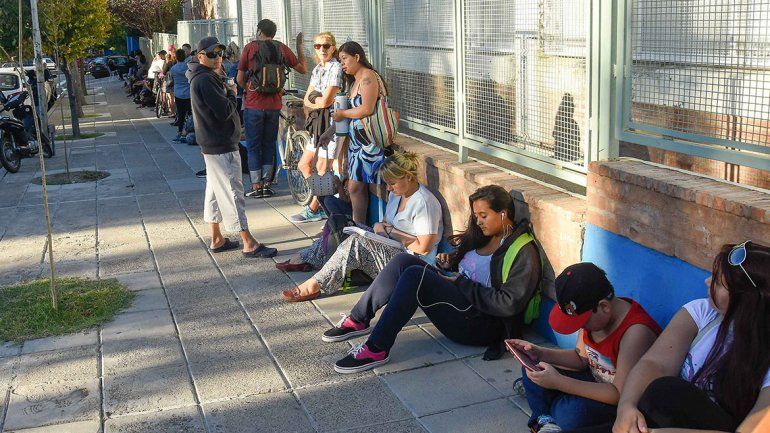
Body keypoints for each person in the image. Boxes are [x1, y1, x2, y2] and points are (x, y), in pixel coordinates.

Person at [325, 185, 542, 373]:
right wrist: (450, 263)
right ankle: (358, 319)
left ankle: (376, 348)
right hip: (462, 303)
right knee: (403, 261)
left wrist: (459, 282)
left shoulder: (523, 252)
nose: (478, 222)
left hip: (481, 324)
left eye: (483, 216)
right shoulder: (484, 235)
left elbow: (508, 303)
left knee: (415, 276)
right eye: (476, 216)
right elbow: (474, 268)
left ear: (503, 214)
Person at [607, 241, 770, 433]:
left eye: (718, 282)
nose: (707, 281)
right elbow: (655, 363)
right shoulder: (703, 311)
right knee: (662, 391)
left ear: (747, 300)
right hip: (657, 421)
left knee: (667, 390)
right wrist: (626, 407)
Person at [509, 263, 661, 433]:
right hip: (594, 381)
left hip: (619, 400)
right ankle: (544, 419)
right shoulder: (593, 316)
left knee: (570, 413)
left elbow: (619, 394)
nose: (581, 328)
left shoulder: (635, 333)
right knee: (533, 367)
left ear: (604, 307)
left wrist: (559, 383)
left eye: (582, 322)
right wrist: (540, 353)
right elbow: (580, 358)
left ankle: (549, 400)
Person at [280, 151, 442, 302]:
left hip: (410, 263)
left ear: (408, 177)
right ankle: (307, 259)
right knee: (340, 223)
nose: (389, 188)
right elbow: (386, 222)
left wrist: (391, 231)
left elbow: (423, 248)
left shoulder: (424, 203)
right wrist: (380, 227)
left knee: (356, 243)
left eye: (392, 183)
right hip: (391, 245)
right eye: (387, 184)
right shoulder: (397, 194)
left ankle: (314, 285)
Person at [187, 36, 277, 258]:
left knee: (215, 192)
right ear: (200, 56)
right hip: (221, 143)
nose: (218, 57)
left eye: (220, 53)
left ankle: (216, 238)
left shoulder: (204, 77)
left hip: (213, 143)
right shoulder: (205, 80)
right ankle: (248, 242)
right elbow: (225, 110)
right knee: (232, 191)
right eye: (212, 54)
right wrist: (232, 93)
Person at [237, 19, 307, 198]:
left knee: (253, 146)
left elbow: (239, 79)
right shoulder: (282, 48)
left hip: (253, 105)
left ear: (259, 31)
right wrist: (299, 46)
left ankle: (256, 185)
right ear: (273, 33)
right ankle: (267, 184)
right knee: (269, 143)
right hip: (274, 105)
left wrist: (249, 90)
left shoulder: (250, 48)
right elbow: (302, 69)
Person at [289, 31, 345, 224]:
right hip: (317, 123)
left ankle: (315, 208)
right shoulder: (317, 69)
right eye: (318, 46)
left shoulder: (336, 68)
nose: (322, 49)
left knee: (322, 168)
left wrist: (316, 99)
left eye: (326, 46)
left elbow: (326, 101)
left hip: (332, 123)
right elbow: (307, 99)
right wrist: (316, 99)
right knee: (304, 164)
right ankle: (322, 202)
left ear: (333, 47)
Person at [332, 41, 389, 224]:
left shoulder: (368, 77)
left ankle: (359, 227)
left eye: (344, 58)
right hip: (357, 142)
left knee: (356, 187)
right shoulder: (355, 80)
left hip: (369, 141)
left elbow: (366, 109)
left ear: (357, 57)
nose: (342, 64)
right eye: (340, 60)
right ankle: (358, 226)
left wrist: (342, 114)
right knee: (354, 187)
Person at [169, 49, 191, 142]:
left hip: (178, 93)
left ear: (176, 57)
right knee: (190, 114)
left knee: (181, 114)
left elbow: (172, 80)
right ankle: (190, 131)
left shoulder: (173, 68)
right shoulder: (188, 67)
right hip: (189, 93)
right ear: (184, 56)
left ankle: (180, 132)